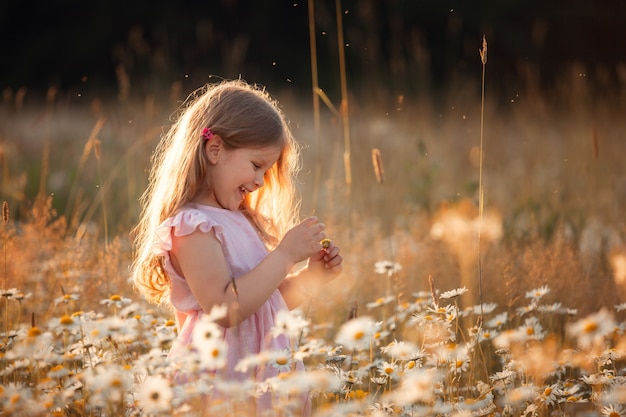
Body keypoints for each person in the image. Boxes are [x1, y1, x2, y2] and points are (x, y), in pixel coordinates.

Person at [130, 79, 343, 415]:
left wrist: (312, 277)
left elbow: (267, 302)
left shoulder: (241, 220)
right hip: (221, 382)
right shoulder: (193, 226)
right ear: (215, 150)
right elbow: (226, 308)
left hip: (264, 374)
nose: (260, 181)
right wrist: (285, 254)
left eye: (267, 170)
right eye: (256, 165)